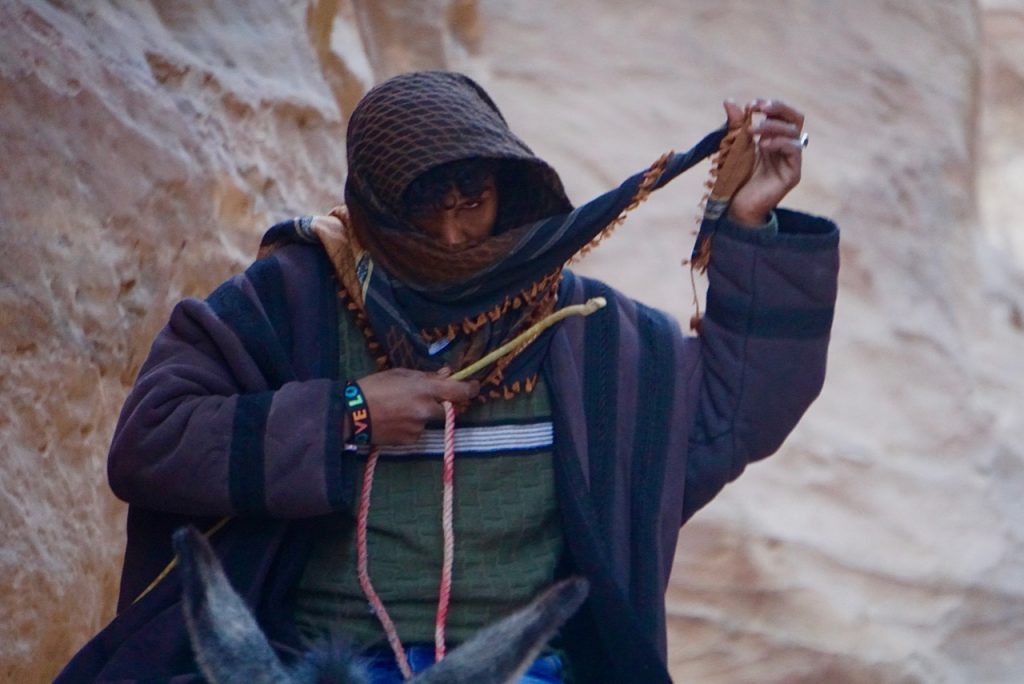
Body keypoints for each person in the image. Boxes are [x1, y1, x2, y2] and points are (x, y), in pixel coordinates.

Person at [57, 71, 838, 683]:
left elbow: (733, 414)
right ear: (370, 209)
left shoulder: (588, 332)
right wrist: (350, 416)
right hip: (300, 663)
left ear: (513, 191)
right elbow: (149, 444)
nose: (456, 234)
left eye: (475, 202)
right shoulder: (286, 304)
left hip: (526, 670)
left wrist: (750, 227)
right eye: (423, 213)